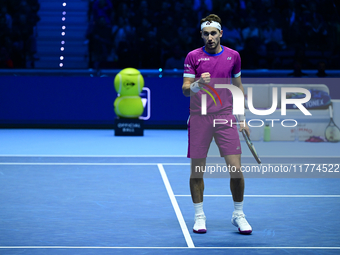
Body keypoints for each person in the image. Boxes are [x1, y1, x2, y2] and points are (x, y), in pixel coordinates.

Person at [182, 14, 252, 235]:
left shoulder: (234, 56)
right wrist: (197, 84)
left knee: (236, 171)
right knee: (197, 171)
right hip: (199, 117)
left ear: (220, 33)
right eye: (206, 34)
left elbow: (238, 87)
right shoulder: (193, 57)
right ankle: (199, 215)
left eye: (213, 33)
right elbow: (185, 89)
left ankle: (238, 214)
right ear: (201, 35)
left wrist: (242, 119)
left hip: (225, 117)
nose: (210, 37)